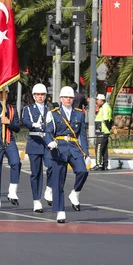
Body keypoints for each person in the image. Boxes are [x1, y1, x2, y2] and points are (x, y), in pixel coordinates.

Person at [44, 86, 90, 223]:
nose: (68, 100)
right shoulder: (54, 113)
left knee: (82, 171)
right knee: (59, 181)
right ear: (61, 99)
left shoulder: (79, 114)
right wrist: (50, 143)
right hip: (59, 147)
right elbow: (49, 132)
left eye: (70, 98)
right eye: (66, 97)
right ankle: (60, 211)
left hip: (74, 147)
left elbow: (82, 135)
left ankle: (75, 193)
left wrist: (86, 153)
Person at [22, 83, 52, 213]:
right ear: (34, 96)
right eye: (38, 95)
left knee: (51, 166)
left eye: (42, 95)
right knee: (36, 173)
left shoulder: (50, 109)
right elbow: (25, 121)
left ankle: (49, 189)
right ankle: (37, 200)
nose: (40, 97)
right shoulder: (28, 109)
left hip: (47, 142)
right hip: (34, 142)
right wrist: (33, 124)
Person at [93, 93, 112, 171]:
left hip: (102, 131)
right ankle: (105, 164)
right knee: (104, 149)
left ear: (101, 100)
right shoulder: (104, 107)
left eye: (97, 100)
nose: (96, 101)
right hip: (104, 131)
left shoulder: (104, 107)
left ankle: (98, 164)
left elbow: (106, 119)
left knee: (99, 148)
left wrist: (107, 128)